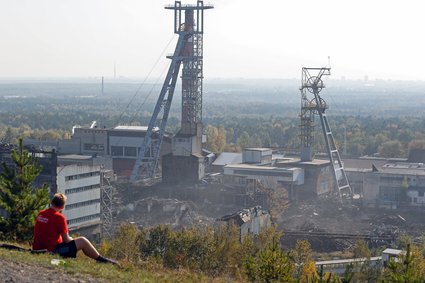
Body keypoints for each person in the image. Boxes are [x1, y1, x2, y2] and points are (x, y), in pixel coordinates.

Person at [32, 193, 117, 265]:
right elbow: (66, 240)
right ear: (62, 207)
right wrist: (73, 239)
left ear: (51, 202)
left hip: (36, 249)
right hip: (51, 252)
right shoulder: (59, 217)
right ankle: (101, 260)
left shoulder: (41, 213)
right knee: (82, 241)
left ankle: (100, 260)